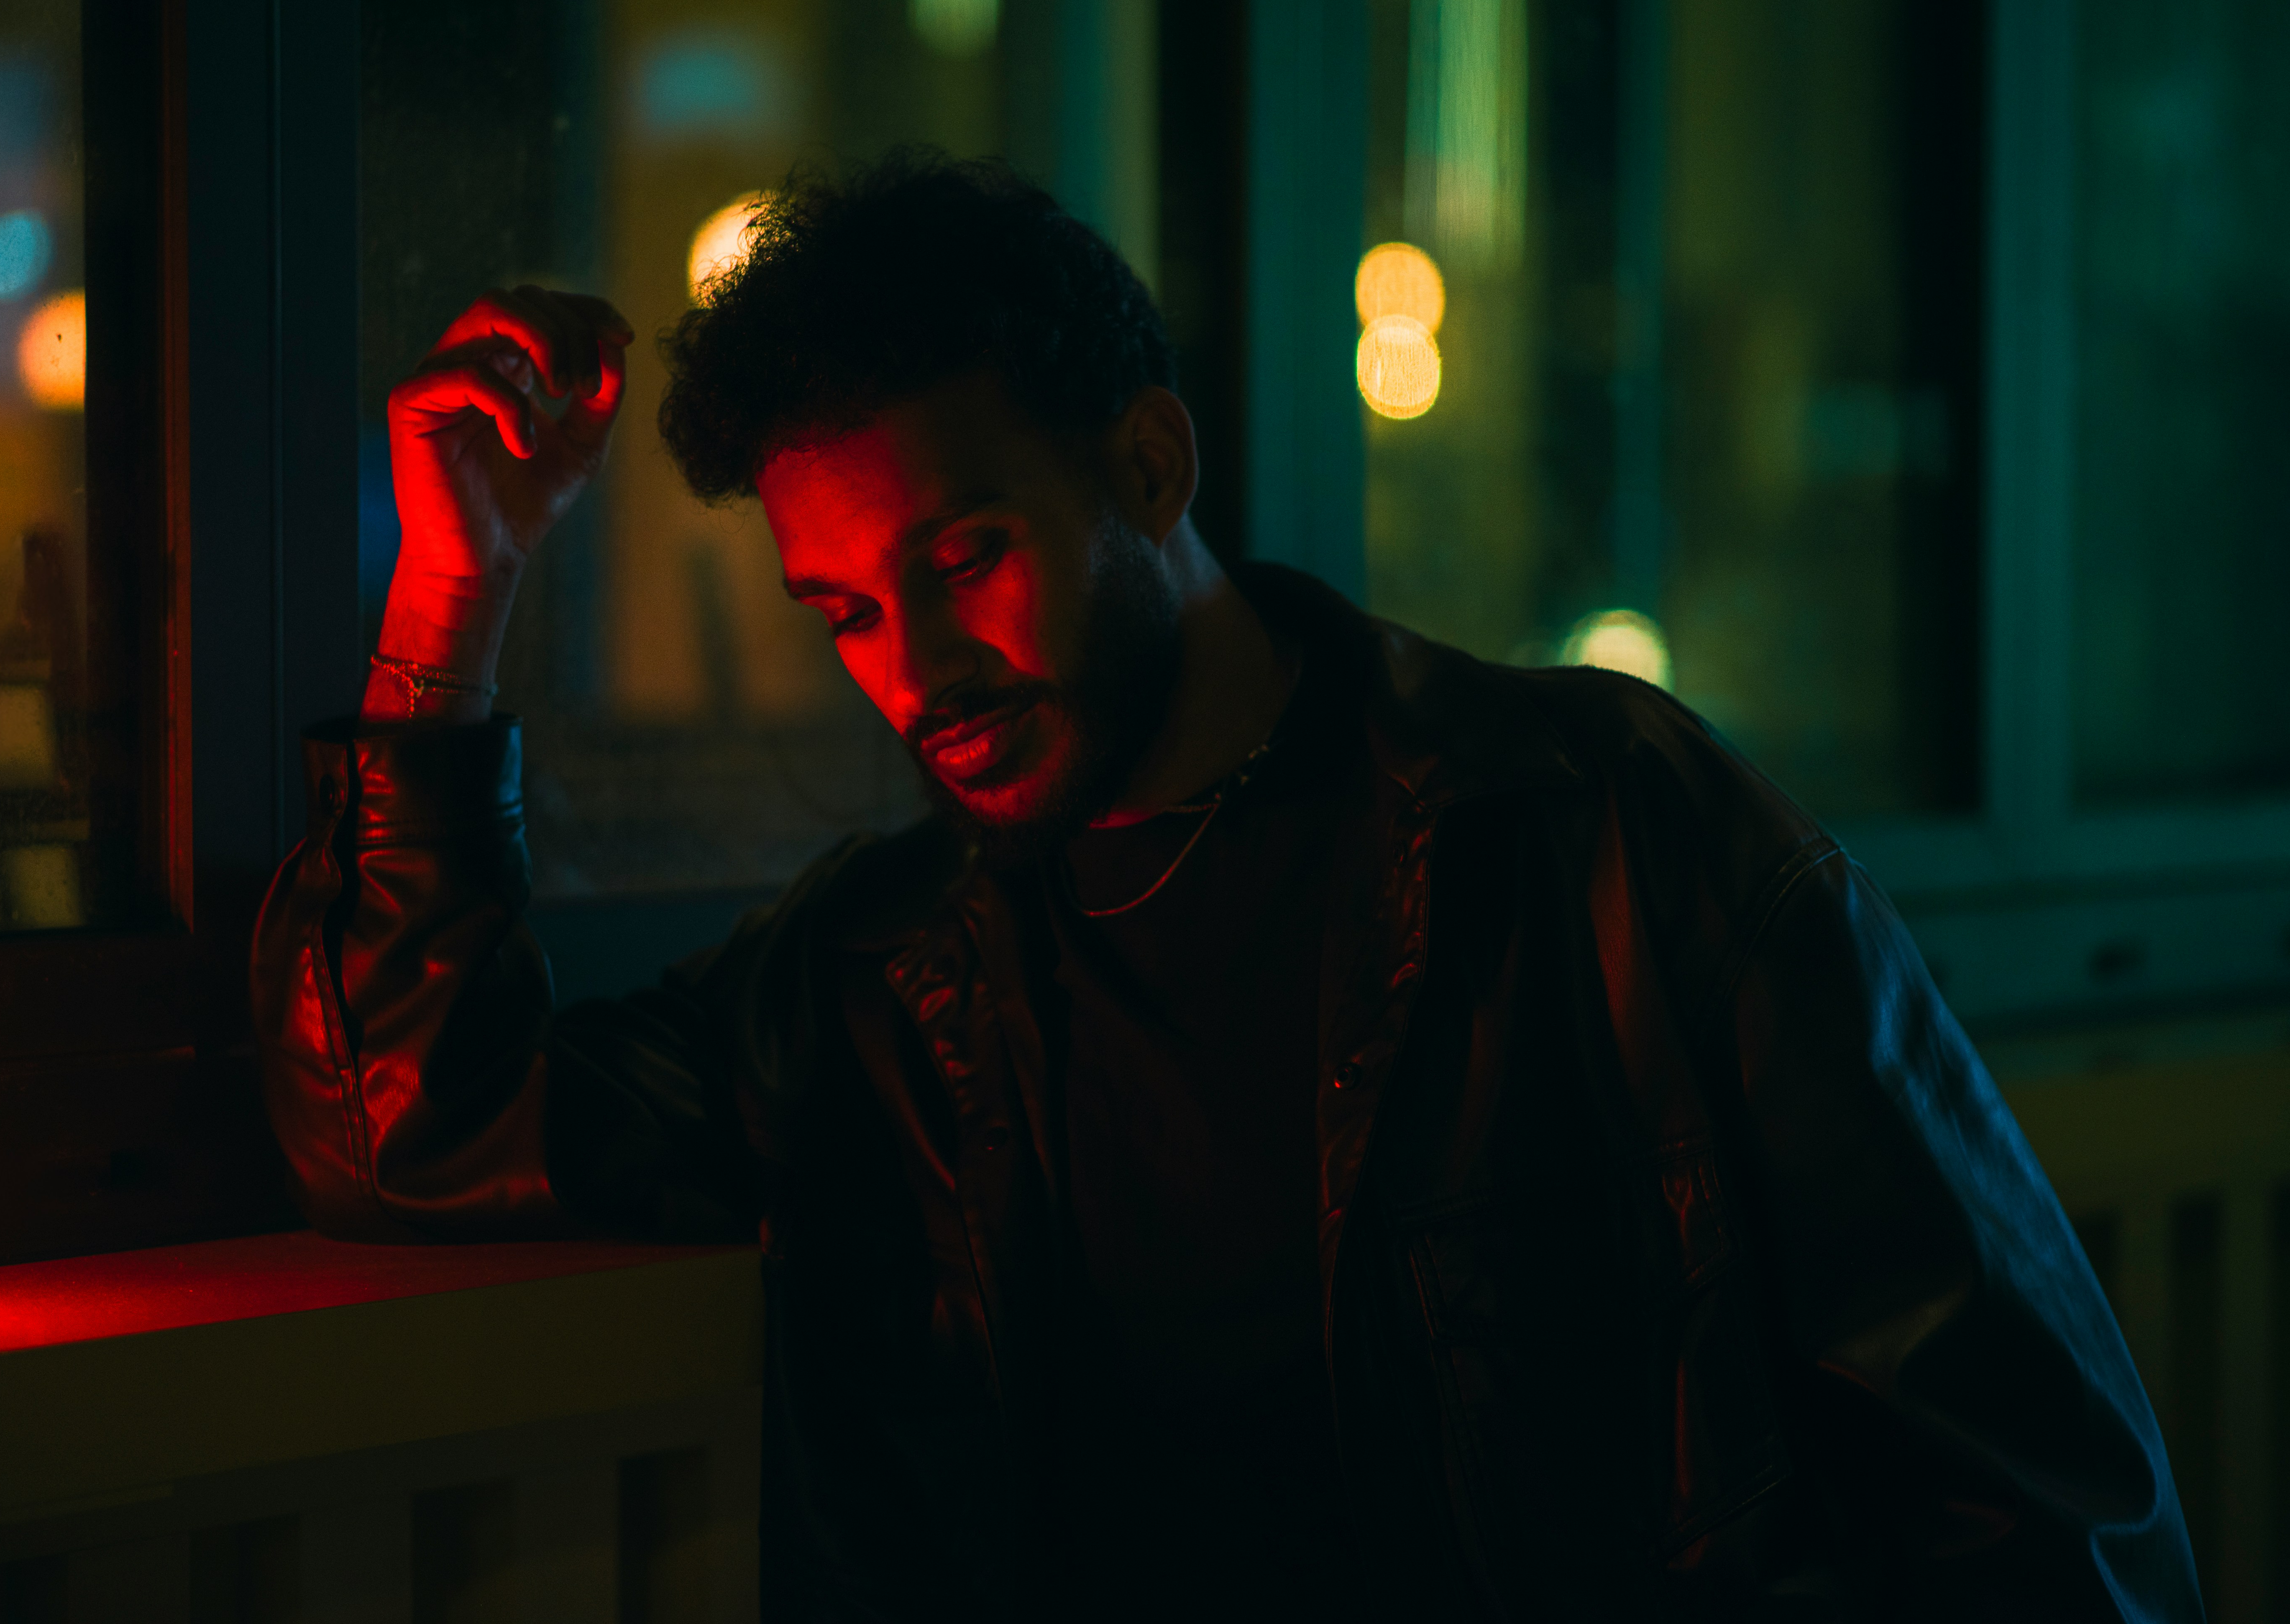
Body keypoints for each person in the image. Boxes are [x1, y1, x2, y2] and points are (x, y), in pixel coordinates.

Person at [253, 152, 2199, 1620]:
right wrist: (455, 595)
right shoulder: (883, 974)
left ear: (1150, 467)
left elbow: (2022, 1476)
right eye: (843, 610)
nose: (916, 670)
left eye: (966, 555)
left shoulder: (1596, 830)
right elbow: (401, 1120)